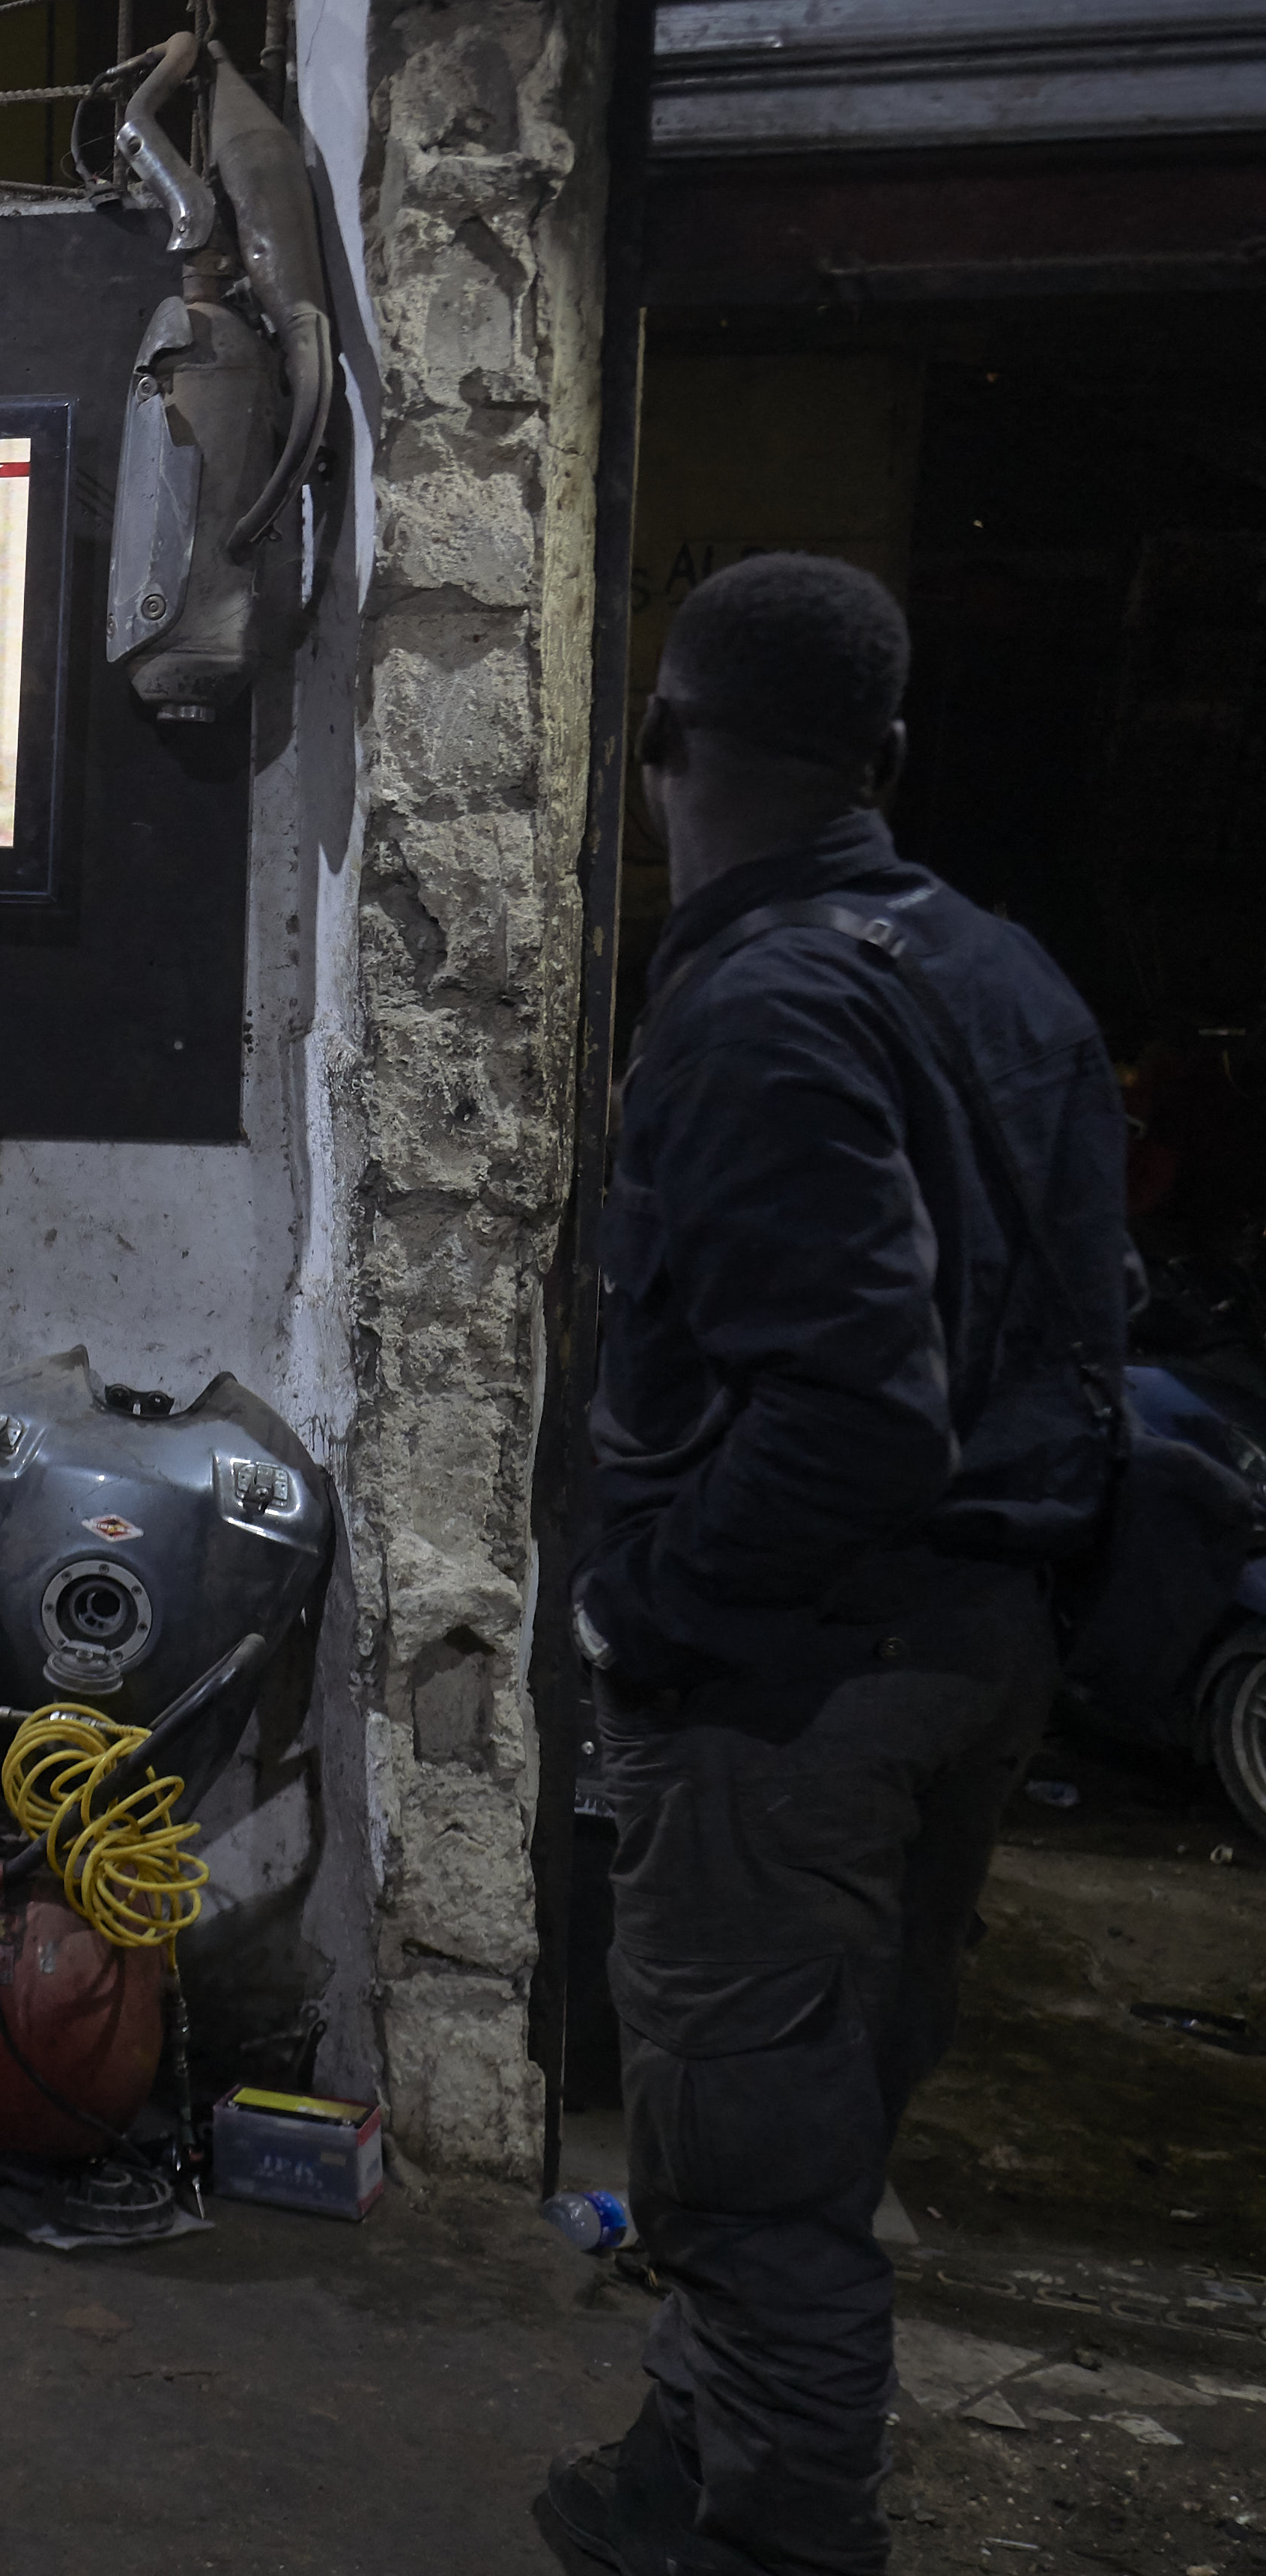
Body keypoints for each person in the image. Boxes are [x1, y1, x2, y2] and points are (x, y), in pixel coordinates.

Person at [544, 554, 1125, 2576]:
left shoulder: (760, 1008)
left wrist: (647, 1604)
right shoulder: (1005, 973)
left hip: (799, 1687)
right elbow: (1079, 1327)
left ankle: (776, 2537)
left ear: (661, 748)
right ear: (883, 757)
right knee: (810, 2119)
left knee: (756, 2192)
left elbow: (859, 1408)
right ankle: (671, 2475)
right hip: (979, 1654)